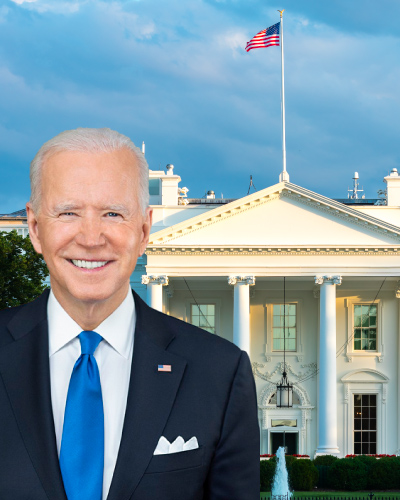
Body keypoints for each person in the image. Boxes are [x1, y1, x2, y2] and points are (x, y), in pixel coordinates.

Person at [0, 128, 259, 500]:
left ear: (143, 229)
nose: (91, 238)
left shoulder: (219, 373)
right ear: (36, 228)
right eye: (68, 212)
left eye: (113, 213)